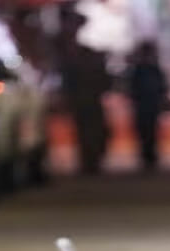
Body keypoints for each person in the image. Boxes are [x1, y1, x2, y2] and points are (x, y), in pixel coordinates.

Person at [57, 11, 111, 175]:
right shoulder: (62, 47)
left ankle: (92, 160)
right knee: (85, 130)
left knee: (94, 129)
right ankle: (89, 161)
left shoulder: (86, 50)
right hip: (81, 97)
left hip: (90, 97)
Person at [127, 40, 168, 172]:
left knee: (150, 134)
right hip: (144, 108)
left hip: (150, 108)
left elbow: (162, 88)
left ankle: (150, 159)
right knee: (145, 134)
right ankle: (147, 159)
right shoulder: (140, 71)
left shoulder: (150, 70)